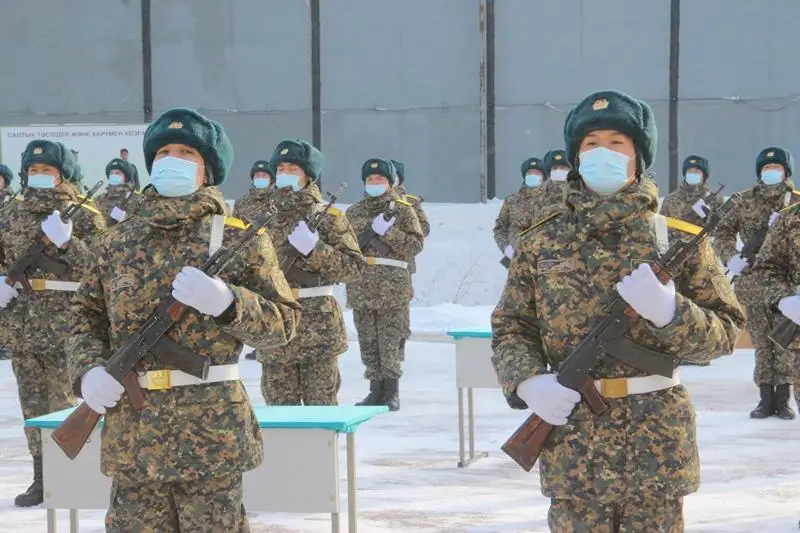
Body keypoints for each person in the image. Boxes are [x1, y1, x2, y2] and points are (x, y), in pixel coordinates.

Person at [491, 90, 745, 532]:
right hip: (572, 442)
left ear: (637, 156)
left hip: (657, 447)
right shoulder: (541, 241)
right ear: (575, 155)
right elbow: (512, 326)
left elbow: (726, 333)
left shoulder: (676, 240)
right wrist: (529, 382)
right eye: (590, 144)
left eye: (616, 142)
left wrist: (671, 312)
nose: (602, 152)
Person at [67, 108, 300, 531]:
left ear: (207, 168)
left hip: (211, 437)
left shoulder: (237, 237)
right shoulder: (113, 242)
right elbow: (85, 318)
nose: (172, 159)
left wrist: (230, 303)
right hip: (134, 435)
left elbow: (283, 326)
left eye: (186, 152)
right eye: (164, 152)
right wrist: (87, 372)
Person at [0, 140, 106, 507]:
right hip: (23, 325)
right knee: (32, 406)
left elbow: (104, 269)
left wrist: (69, 245)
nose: (39, 176)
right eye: (33, 170)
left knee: (67, 403)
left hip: (68, 326)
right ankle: (41, 476)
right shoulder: (11, 215)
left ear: (63, 174)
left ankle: (74, 473)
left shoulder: (86, 215)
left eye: (47, 170)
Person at [256, 140, 363, 405]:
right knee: (280, 413)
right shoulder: (261, 218)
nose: (284, 173)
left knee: (321, 413)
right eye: (280, 168)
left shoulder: (328, 217)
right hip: (276, 323)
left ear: (308, 175)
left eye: (293, 168)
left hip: (318, 327)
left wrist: (316, 250)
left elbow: (354, 268)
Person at [715, 147, 800, 419]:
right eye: (766, 167)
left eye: (777, 167)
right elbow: (724, 232)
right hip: (752, 282)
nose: (771, 171)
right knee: (762, 341)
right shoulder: (744, 200)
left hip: (786, 285)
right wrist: (731, 259)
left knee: (786, 341)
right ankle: (765, 397)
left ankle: (784, 398)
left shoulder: (795, 202)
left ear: (787, 171)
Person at [347, 158, 424, 411]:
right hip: (361, 285)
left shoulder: (403, 210)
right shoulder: (354, 211)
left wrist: (387, 232)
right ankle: (374, 389)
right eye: (370, 180)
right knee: (368, 340)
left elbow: (415, 245)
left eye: (380, 179)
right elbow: (346, 246)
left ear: (390, 182)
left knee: (389, 340)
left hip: (392, 287)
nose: (374, 183)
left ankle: (391, 391)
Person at [94, 158, 141, 227]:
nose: (114, 175)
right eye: (111, 173)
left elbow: (142, 224)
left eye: (118, 173)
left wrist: (122, 216)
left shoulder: (136, 199)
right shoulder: (98, 199)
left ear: (126, 177)